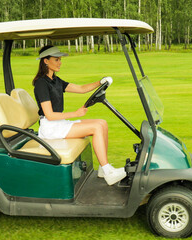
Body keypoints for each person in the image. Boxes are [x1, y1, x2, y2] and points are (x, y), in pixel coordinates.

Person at [32, 45, 126, 186]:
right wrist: (76, 114)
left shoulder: (56, 81)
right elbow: (50, 115)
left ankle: (103, 168)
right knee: (96, 128)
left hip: (59, 124)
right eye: (56, 60)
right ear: (46, 61)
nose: (60, 63)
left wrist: (100, 82)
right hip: (50, 128)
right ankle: (108, 172)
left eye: (60, 60)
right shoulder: (41, 84)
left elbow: (81, 89)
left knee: (102, 123)